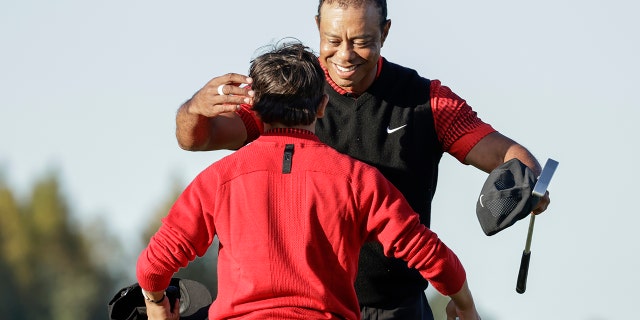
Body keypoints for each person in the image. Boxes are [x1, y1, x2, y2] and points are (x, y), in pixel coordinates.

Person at [174, 0, 551, 319]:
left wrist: (529, 179)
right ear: (317, 27)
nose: (345, 55)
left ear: (385, 32)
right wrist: (194, 109)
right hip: (316, 308)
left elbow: (506, 154)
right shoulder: (291, 95)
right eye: (333, 40)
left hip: (397, 306)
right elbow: (199, 138)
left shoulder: (427, 101)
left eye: (361, 41)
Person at [137, 41, 481, 320]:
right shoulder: (358, 180)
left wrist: (156, 306)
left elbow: (153, 266)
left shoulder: (219, 179)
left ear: (253, 107)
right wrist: (463, 303)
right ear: (322, 106)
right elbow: (428, 253)